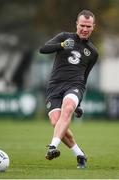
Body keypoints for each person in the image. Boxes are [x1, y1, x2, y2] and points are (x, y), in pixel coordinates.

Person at [39, 10, 98, 168]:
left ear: (93, 27)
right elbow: (43, 49)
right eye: (82, 25)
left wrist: (78, 103)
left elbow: (85, 77)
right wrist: (61, 45)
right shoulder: (64, 37)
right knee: (56, 123)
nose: (85, 29)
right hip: (55, 86)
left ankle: (52, 147)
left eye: (88, 26)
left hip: (75, 86)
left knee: (68, 108)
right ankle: (80, 154)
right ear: (77, 25)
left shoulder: (93, 52)